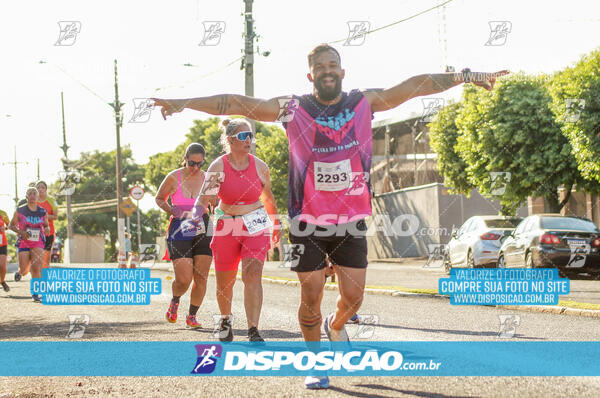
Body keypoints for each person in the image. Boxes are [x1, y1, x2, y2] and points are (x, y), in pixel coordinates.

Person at [152, 43, 506, 388]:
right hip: (307, 221)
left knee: (354, 298)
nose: (326, 70)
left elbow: (415, 87)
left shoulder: (362, 102)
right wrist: (184, 103)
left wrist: (468, 75)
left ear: (342, 71)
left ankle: (336, 326)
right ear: (310, 75)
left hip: (351, 219)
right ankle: (316, 363)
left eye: (331, 64)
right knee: (311, 294)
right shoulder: (292, 109)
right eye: (319, 67)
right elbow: (236, 103)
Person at [191, 118, 281, 342]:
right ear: (230, 140)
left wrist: (276, 223)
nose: (248, 139)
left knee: (252, 274)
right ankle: (225, 320)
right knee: (225, 280)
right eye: (243, 136)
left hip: (256, 221)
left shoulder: (260, 166)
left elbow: (268, 198)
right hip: (227, 222)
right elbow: (202, 200)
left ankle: (253, 329)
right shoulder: (218, 166)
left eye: (250, 135)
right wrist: (194, 217)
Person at [156, 143, 213, 328]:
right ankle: (175, 300)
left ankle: (192, 316)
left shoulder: (208, 179)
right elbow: (159, 198)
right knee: (183, 279)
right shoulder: (174, 177)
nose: (195, 167)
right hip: (180, 226)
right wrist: (171, 209)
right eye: (191, 163)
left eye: (200, 163)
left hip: (203, 225)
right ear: (185, 159)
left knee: (201, 276)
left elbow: (216, 203)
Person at [9, 187, 49, 302]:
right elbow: (11, 226)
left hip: (38, 243)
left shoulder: (42, 212)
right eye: (30, 194)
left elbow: (46, 225)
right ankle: (20, 272)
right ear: (26, 197)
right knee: (25, 269)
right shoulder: (20, 211)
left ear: (38, 197)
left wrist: (46, 229)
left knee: (36, 268)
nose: (32, 195)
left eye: (34, 194)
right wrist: (21, 232)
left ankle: (35, 293)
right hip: (24, 242)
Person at [36, 181, 58, 268]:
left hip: (49, 232)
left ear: (46, 189)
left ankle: (44, 279)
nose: (40, 189)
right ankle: (36, 276)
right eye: (38, 188)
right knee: (36, 256)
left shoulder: (51, 200)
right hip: (35, 232)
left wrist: (44, 216)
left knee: (46, 257)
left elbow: (55, 216)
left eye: (42, 187)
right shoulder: (32, 200)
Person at [0, 208, 10, 292]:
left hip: (2, 243)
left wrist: (5, 228)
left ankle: (2, 281)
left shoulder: (3, 213)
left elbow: (9, 225)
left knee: (2, 265)